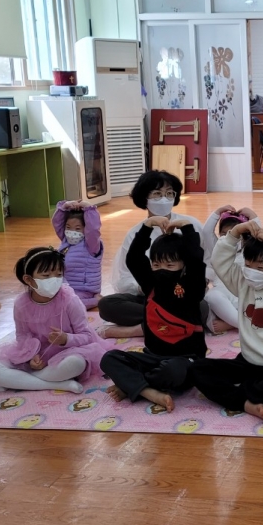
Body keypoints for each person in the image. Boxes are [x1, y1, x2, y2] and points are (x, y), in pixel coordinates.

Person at [191, 220, 263, 423]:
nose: (252, 271)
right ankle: (246, 402)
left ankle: (236, 394)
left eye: (261, 267)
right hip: (247, 363)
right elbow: (219, 262)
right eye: (248, 265)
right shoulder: (244, 283)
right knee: (197, 369)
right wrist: (234, 233)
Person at [100, 216, 207, 412]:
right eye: (156, 265)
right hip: (152, 358)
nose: (162, 271)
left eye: (170, 266)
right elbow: (134, 258)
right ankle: (148, 391)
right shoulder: (151, 284)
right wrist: (147, 226)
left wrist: (188, 229)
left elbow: (196, 261)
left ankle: (133, 386)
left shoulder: (191, 287)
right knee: (109, 358)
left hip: (185, 360)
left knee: (175, 371)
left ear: (183, 265)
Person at [0, 247, 109, 394]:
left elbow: (87, 336)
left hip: (69, 352)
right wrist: (31, 357)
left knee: (76, 364)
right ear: (28, 279)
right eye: (46, 275)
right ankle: (59, 384)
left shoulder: (69, 300)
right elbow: (22, 336)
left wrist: (65, 339)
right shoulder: (21, 304)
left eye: (58, 275)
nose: (54, 280)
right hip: (37, 356)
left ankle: (19, 381)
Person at [97, 170, 202, 338]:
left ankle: (137, 329)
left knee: (204, 306)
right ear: (144, 198)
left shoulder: (190, 224)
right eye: (157, 194)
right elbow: (126, 273)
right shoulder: (136, 233)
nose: (164, 198)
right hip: (150, 296)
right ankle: (167, 322)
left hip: (183, 295)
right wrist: (145, 287)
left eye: (169, 193)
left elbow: (206, 260)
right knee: (107, 304)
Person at [201, 204, 261, 332]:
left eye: (236, 234)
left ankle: (237, 323)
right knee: (211, 296)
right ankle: (242, 324)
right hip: (224, 301)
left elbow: (260, 237)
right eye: (225, 234)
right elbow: (206, 232)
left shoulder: (248, 250)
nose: (231, 237)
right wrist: (217, 212)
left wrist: (253, 217)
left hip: (245, 298)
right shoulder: (218, 249)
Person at [52, 200, 103, 309]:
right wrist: (64, 207)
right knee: (51, 301)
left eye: (78, 228)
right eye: (68, 227)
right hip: (66, 288)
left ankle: (96, 300)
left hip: (85, 290)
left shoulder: (92, 245)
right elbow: (57, 223)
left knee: (68, 304)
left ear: (85, 229)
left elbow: (93, 230)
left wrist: (89, 209)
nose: (72, 232)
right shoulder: (65, 241)